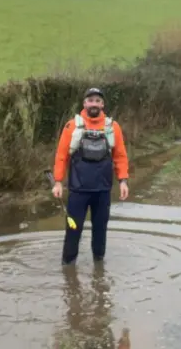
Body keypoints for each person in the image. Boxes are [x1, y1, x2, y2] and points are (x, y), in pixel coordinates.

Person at [52, 87, 130, 265]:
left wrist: (123, 181)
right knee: (73, 230)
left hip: (103, 190)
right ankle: (68, 266)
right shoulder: (71, 126)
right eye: (90, 100)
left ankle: (99, 267)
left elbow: (120, 156)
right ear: (84, 103)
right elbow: (61, 155)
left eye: (97, 101)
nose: (94, 104)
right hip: (78, 191)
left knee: (100, 230)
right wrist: (57, 182)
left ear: (102, 104)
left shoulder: (113, 127)